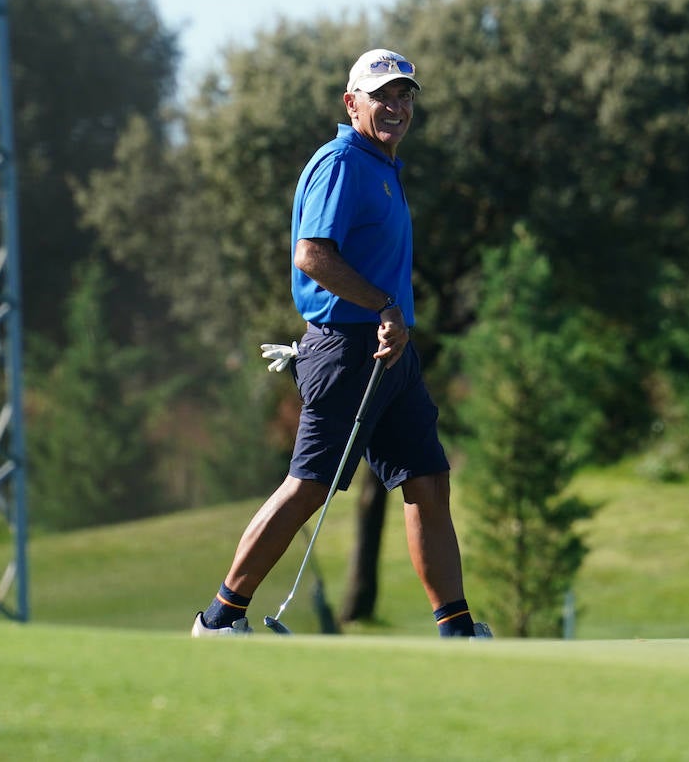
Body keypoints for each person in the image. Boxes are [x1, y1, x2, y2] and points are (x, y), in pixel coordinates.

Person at [192, 48, 490, 638]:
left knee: (428, 480)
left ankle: (456, 630)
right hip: (348, 347)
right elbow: (313, 255)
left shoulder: (381, 167)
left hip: (390, 351)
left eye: (405, 95)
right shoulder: (343, 163)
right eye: (382, 96)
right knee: (310, 485)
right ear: (351, 103)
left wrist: (391, 317)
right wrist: (381, 305)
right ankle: (221, 617)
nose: (396, 107)